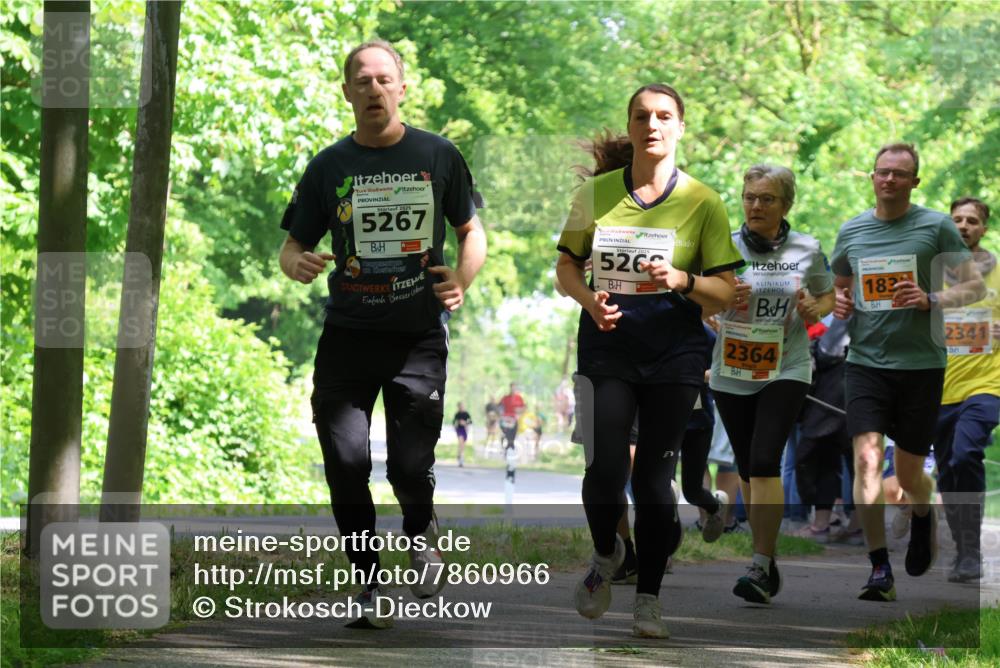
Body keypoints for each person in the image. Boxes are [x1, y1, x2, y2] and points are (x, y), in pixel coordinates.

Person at [278, 40, 486, 628]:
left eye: (383, 79)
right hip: (347, 338)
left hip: (417, 336)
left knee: (407, 468)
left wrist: (461, 281)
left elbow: (471, 230)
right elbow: (293, 244)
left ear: (402, 88)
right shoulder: (328, 167)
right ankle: (368, 586)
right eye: (362, 81)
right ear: (347, 92)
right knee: (345, 464)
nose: (374, 89)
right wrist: (293, 262)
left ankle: (421, 531)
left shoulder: (438, 155)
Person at [556, 83, 741, 638]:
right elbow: (567, 268)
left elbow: (727, 292)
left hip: (674, 355)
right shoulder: (597, 195)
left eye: (664, 116)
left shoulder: (703, 201)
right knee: (605, 469)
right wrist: (590, 300)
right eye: (642, 116)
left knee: (655, 480)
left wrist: (684, 280)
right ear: (631, 126)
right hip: (608, 346)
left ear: (680, 127)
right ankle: (608, 552)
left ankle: (650, 600)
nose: (652, 125)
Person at [830, 143, 983, 602]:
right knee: (867, 460)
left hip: (921, 364)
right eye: (883, 172)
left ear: (915, 181)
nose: (890, 180)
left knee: (911, 473)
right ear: (872, 177)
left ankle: (922, 511)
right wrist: (837, 302)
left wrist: (931, 299)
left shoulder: (935, 226)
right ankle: (879, 566)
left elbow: (972, 286)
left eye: (900, 174)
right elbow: (838, 287)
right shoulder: (852, 230)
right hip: (865, 364)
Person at [710, 164, 835, 604]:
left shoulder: (806, 248)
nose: (756, 205)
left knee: (765, 459)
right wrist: (715, 304)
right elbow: (699, 298)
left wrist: (813, 307)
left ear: (786, 205)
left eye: (767, 199)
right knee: (746, 466)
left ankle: (760, 563)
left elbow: (827, 295)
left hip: (787, 364)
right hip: (733, 368)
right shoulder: (722, 244)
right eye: (749, 197)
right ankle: (765, 555)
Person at [935, 197, 999, 582]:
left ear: (983, 229)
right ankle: (964, 551)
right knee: (946, 471)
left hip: (987, 382)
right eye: (956, 219)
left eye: (972, 220)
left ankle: (971, 550)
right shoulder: (933, 271)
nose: (963, 225)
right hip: (939, 384)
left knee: (965, 454)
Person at [499, 383, 525, 450]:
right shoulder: (505, 398)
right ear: (510, 388)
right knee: (505, 431)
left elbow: (523, 408)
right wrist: (500, 414)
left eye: (514, 388)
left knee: (514, 432)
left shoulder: (519, 398)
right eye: (512, 387)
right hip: (505, 418)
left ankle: (510, 444)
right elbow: (499, 407)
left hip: (514, 418)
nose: (513, 389)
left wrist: (519, 411)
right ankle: (506, 442)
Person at [452, 402, 472, 467]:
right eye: (460, 406)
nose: (461, 407)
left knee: (462, 445)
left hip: (465, 430)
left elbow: (470, 421)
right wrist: (456, 424)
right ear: (458, 407)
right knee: (460, 442)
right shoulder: (457, 414)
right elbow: (453, 422)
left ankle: (460, 456)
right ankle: (461, 459)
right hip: (459, 430)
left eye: (462, 406)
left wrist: (465, 423)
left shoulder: (466, 414)